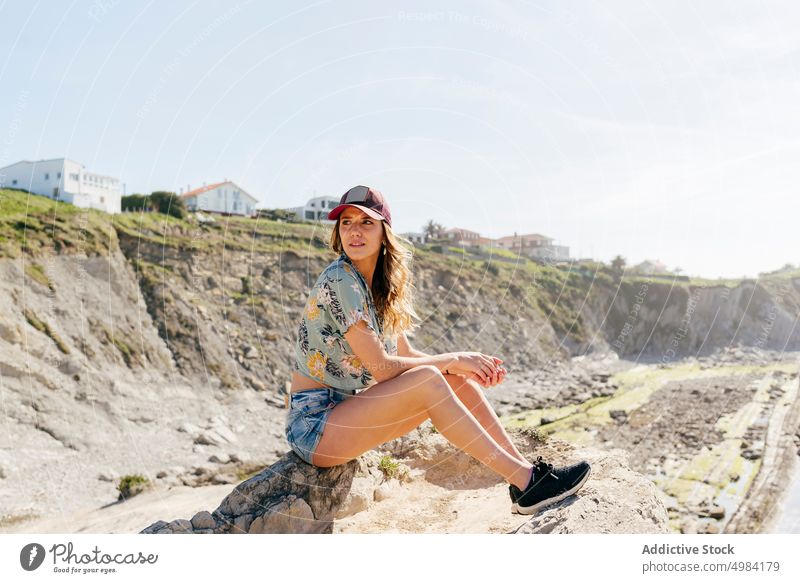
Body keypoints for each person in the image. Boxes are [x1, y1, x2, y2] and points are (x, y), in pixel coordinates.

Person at [285, 185, 590, 515]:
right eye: (346, 222)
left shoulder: (378, 285)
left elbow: (409, 356)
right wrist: (455, 360)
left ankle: (525, 479)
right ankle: (529, 482)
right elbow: (383, 369)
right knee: (434, 377)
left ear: (384, 232)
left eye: (366, 222)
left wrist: (462, 366)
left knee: (455, 381)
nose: (354, 231)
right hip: (315, 425)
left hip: (347, 413)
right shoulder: (340, 280)